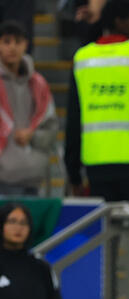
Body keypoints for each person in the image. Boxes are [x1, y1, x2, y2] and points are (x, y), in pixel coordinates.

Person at [65, 0, 129, 209]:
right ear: (119, 22)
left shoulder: (82, 58)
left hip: (96, 166)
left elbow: (73, 120)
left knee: (105, 237)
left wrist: (74, 173)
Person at [0, 21, 58, 195]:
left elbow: (51, 126)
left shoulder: (38, 84)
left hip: (33, 175)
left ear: (26, 44)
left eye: (18, 42)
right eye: (6, 41)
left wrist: (32, 136)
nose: (13, 47)